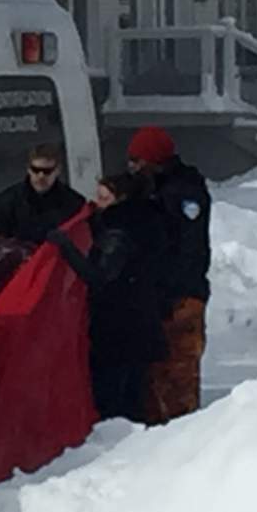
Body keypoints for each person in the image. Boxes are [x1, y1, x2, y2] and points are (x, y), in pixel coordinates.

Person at [48, 174, 167, 423]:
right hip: (137, 323)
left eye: (103, 198)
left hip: (119, 328)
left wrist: (66, 247)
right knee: (132, 392)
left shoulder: (118, 235)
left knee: (114, 397)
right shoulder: (141, 223)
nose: (97, 202)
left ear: (120, 200)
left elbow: (99, 276)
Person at [125, 126, 211, 423]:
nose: (132, 167)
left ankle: (181, 437)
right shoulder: (160, 190)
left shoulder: (181, 195)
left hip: (179, 298)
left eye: (137, 161)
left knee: (178, 375)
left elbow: (184, 252)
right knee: (155, 377)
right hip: (158, 297)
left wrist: (166, 292)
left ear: (152, 161)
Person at [0, 143, 86, 245]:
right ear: (28, 169)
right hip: (19, 259)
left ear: (58, 170)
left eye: (47, 171)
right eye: (36, 170)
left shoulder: (74, 203)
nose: (40, 176)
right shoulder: (6, 202)